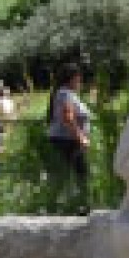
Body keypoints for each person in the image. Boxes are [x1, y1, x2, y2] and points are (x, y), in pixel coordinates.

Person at [46, 64, 92, 202]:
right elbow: (68, 117)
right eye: (79, 79)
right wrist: (81, 137)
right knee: (80, 174)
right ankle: (81, 205)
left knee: (73, 174)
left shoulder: (65, 93)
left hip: (67, 140)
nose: (80, 82)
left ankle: (73, 203)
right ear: (72, 79)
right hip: (68, 140)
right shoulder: (65, 94)